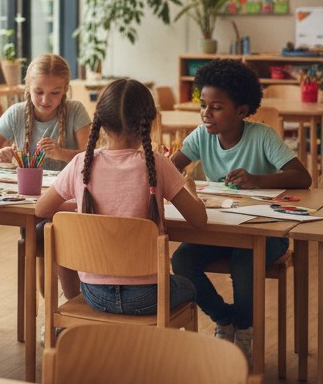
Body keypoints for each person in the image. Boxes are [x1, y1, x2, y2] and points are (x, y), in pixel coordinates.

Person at [170, 58, 310, 359]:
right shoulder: (201, 136)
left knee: (245, 262)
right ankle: (225, 318)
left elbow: (303, 176)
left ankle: (245, 329)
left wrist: (257, 179)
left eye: (216, 107)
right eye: (203, 105)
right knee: (182, 259)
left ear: (242, 111)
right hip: (221, 228)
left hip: (264, 232)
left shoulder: (262, 136)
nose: (207, 114)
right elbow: (170, 172)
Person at [34, 78, 206, 312]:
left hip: (94, 294)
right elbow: (199, 220)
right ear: (150, 122)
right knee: (188, 285)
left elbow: (41, 210)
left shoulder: (80, 163)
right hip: (148, 296)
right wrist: (191, 191)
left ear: (100, 123)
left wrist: (79, 207)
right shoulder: (157, 164)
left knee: (58, 228)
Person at [0, 54, 91, 171]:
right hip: (25, 189)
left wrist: (61, 153)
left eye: (55, 93)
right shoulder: (16, 113)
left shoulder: (75, 111)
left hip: (65, 188)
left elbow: (91, 157)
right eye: (39, 92)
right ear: (28, 88)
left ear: (65, 89)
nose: (45, 100)